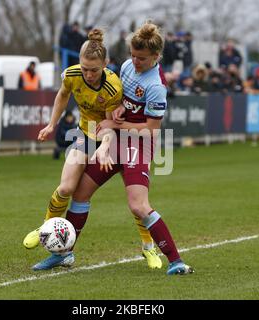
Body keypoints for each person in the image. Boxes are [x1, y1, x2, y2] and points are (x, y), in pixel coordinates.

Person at [32, 22, 194, 275]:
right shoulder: (128, 67)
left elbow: (152, 129)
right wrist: (117, 115)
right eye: (132, 55)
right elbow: (120, 103)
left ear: (156, 57)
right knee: (80, 194)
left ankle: (176, 261)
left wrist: (115, 121)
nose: (135, 62)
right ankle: (63, 253)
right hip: (115, 139)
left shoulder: (156, 87)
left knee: (138, 205)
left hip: (138, 144)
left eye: (141, 58)